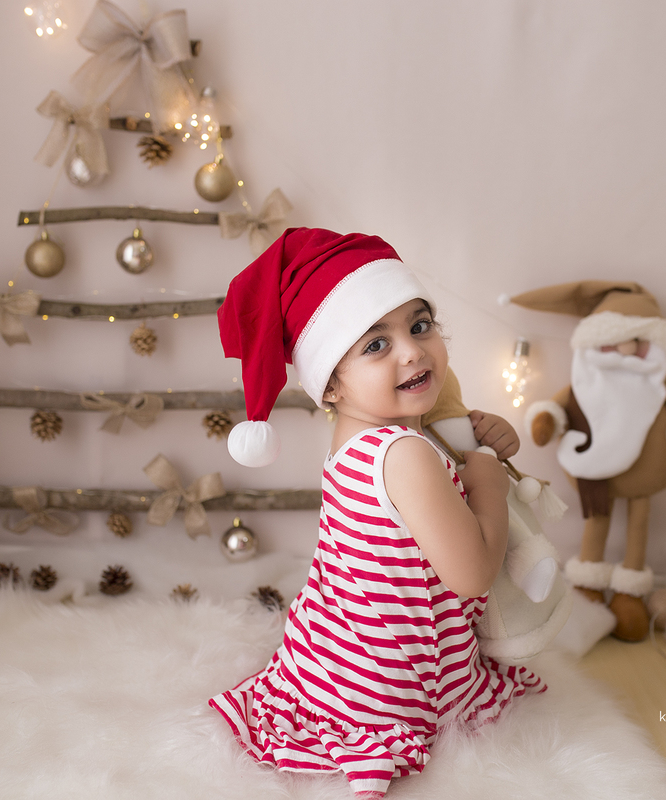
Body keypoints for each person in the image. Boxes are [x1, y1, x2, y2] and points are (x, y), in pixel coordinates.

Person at [211, 228, 543, 797]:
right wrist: (485, 477)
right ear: (331, 385)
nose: (412, 351)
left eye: (419, 326)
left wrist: (476, 443)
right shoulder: (406, 454)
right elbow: (472, 575)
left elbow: (427, 489)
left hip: (334, 660)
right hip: (394, 691)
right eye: (375, 345)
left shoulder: (362, 441)